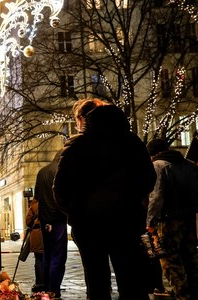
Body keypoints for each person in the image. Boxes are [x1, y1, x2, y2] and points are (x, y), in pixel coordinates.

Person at [53, 101, 156, 300]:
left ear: (87, 121)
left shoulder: (78, 145)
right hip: (126, 221)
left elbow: (61, 188)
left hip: (89, 224)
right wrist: (132, 202)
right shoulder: (132, 143)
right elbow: (148, 178)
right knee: (130, 279)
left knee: (96, 281)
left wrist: (76, 211)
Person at [146, 138, 198, 299]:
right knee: (190, 258)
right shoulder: (189, 165)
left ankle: (181, 294)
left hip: (167, 221)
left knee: (171, 262)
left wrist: (149, 221)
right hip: (188, 218)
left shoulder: (157, 167)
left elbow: (156, 197)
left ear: (153, 153)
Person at [34, 150, 67, 297]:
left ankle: (47, 288)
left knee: (47, 254)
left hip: (45, 218)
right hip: (57, 219)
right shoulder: (60, 171)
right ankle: (54, 290)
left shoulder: (42, 172)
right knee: (58, 256)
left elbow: (37, 197)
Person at [25, 198, 44, 293]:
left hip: (36, 234)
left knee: (39, 259)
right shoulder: (49, 201)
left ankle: (40, 283)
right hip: (47, 232)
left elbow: (28, 221)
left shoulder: (34, 205)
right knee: (48, 258)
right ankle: (48, 282)